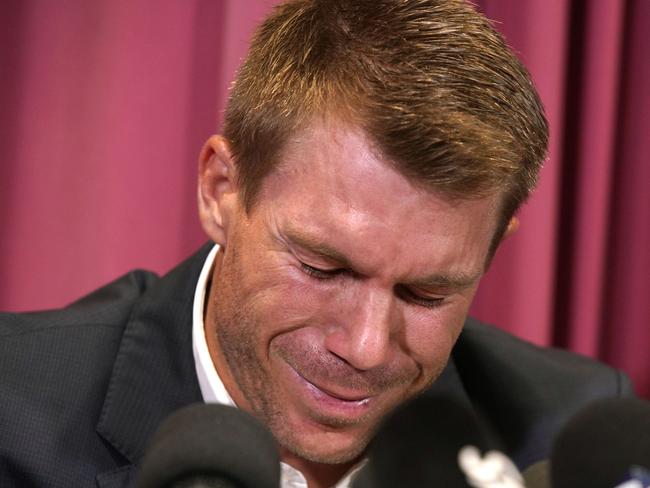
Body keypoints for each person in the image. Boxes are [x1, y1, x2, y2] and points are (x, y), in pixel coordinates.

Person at [0, 1, 634, 487]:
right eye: (323, 267)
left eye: (425, 292)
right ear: (223, 191)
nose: (364, 346)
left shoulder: (569, 438)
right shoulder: (13, 411)